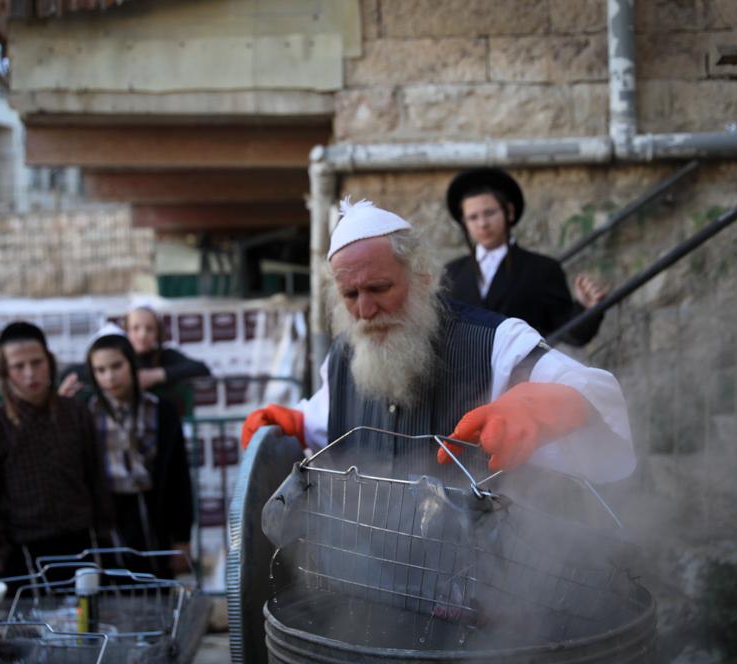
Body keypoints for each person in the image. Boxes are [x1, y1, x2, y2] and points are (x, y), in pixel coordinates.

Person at [241, 198, 634, 488]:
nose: (364, 309)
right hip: (366, 580)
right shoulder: (345, 356)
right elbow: (329, 419)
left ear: (423, 277)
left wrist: (543, 406)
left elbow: (596, 393)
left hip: (481, 584)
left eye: (379, 288)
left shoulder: (496, 341)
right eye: (350, 295)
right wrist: (291, 426)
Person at [0, 322, 113, 584]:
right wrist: (1, 553)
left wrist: (103, 535)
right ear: (5, 371)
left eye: (37, 363)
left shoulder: (75, 414)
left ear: (49, 362)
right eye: (18, 366)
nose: (30, 374)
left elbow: (96, 476)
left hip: (79, 544)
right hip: (23, 551)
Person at [442, 168, 608, 347]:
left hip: (525, 373)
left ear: (509, 212)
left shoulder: (543, 269)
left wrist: (585, 308)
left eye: (489, 213)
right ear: (464, 223)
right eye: (473, 217)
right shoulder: (452, 273)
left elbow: (570, 334)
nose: (483, 223)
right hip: (467, 373)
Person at [84, 328, 193, 577]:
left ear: (131, 364)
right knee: (113, 585)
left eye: (116, 366)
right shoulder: (86, 413)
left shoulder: (160, 410)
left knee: (155, 582)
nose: (110, 376)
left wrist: (182, 537)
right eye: (100, 370)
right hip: (108, 513)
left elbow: (179, 475)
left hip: (153, 510)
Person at [59, 306, 211, 414]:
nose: (142, 335)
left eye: (149, 329)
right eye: (136, 328)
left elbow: (200, 368)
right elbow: (77, 372)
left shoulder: (165, 356)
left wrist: (157, 375)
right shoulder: (115, 355)